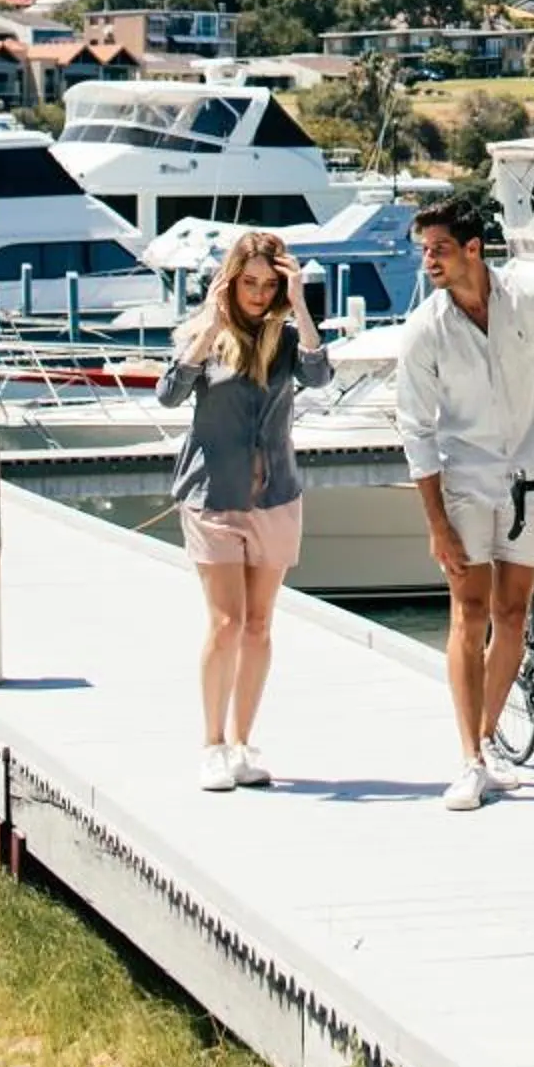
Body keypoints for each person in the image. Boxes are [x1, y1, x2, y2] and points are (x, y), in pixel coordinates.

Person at [394, 192, 534, 812]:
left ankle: (489, 738)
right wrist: (436, 523)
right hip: (464, 482)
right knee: (469, 613)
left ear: (473, 248)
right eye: (424, 251)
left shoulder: (532, 300)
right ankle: (469, 759)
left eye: (439, 249)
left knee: (514, 616)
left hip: (531, 477)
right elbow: (415, 432)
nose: (429, 262)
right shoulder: (425, 331)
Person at [156, 227, 330, 791]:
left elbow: (319, 375)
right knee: (226, 623)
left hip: (275, 496)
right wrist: (208, 327)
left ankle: (241, 744)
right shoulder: (207, 335)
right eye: (248, 282)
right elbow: (169, 395)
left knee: (258, 626)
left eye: (268, 284)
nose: (258, 293)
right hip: (214, 496)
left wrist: (299, 302)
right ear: (231, 281)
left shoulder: (284, 336)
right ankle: (211, 744)